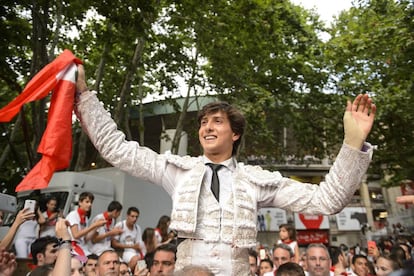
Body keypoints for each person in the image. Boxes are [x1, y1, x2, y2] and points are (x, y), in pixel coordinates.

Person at [76, 64, 376, 275]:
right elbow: (117, 149)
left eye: (217, 121)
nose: (208, 127)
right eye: (204, 122)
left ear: (235, 134)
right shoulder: (177, 170)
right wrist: (84, 96)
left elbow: (328, 200)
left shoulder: (255, 180)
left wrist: (352, 144)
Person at [66, 192, 106, 257]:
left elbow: (85, 239)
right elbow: (76, 235)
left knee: (94, 259)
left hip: (82, 245)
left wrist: (96, 227)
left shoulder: (85, 218)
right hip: (72, 246)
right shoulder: (73, 214)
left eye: (91, 202)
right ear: (80, 203)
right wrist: (94, 225)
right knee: (86, 261)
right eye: (87, 202)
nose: (90, 204)